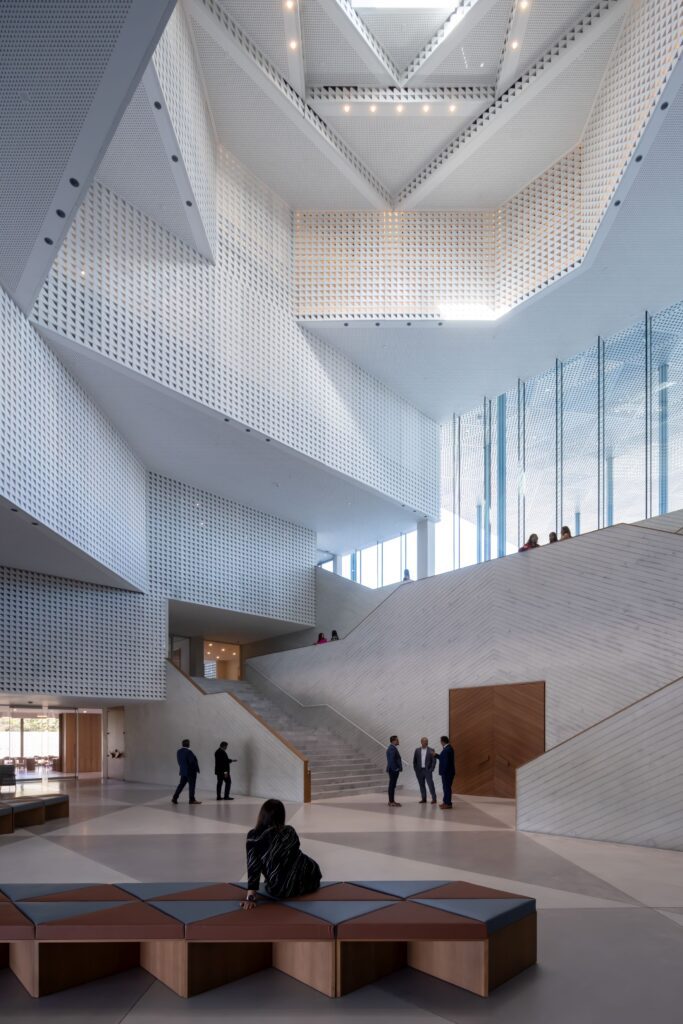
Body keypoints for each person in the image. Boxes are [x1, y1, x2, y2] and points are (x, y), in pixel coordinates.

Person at [241, 799, 321, 908]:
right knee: (310, 865)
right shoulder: (289, 831)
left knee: (276, 867)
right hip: (303, 881)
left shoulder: (253, 836)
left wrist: (250, 897)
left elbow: (253, 867)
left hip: (278, 889)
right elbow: (295, 851)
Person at [172, 739, 201, 805]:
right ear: (188, 744)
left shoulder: (179, 751)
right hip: (190, 772)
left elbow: (179, 761)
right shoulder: (189, 752)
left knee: (181, 785)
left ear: (182, 744)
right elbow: (192, 762)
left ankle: (174, 798)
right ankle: (192, 800)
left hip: (183, 771)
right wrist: (195, 769)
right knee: (192, 786)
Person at [412, 737, 437, 804]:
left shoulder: (431, 750)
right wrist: (416, 769)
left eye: (427, 741)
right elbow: (414, 761)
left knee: (430, 785)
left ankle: (434, 799)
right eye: (424, 741)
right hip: (419, 771)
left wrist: (431, 769)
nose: (426, 742)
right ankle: (423, 799)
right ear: (421, 742)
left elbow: (434, 760)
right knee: (421, 785)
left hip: (427, 771)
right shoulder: (417, 750)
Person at [436, 735, 456, 810]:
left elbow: (446, 762)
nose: (440, 742)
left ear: (443, 741)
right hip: (447, 772)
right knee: (445, 788)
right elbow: (442, 758)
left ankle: (448, 804)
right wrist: (436, 755)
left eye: (440, 741)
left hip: (447, 773)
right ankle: (445, 802)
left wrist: (443, 772)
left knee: (447, 788)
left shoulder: (448, 749)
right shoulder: (447, 748)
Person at [386, 734, 402, 807]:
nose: (398, 741)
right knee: (392, 785)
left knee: (392, 785)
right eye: (397, 740)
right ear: (393, 741)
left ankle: (391, 801)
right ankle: (391, 801)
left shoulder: (392, 748)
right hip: (393, 770)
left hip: (392, 769)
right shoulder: (392, 748)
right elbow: (392, 760)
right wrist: (395, 768)